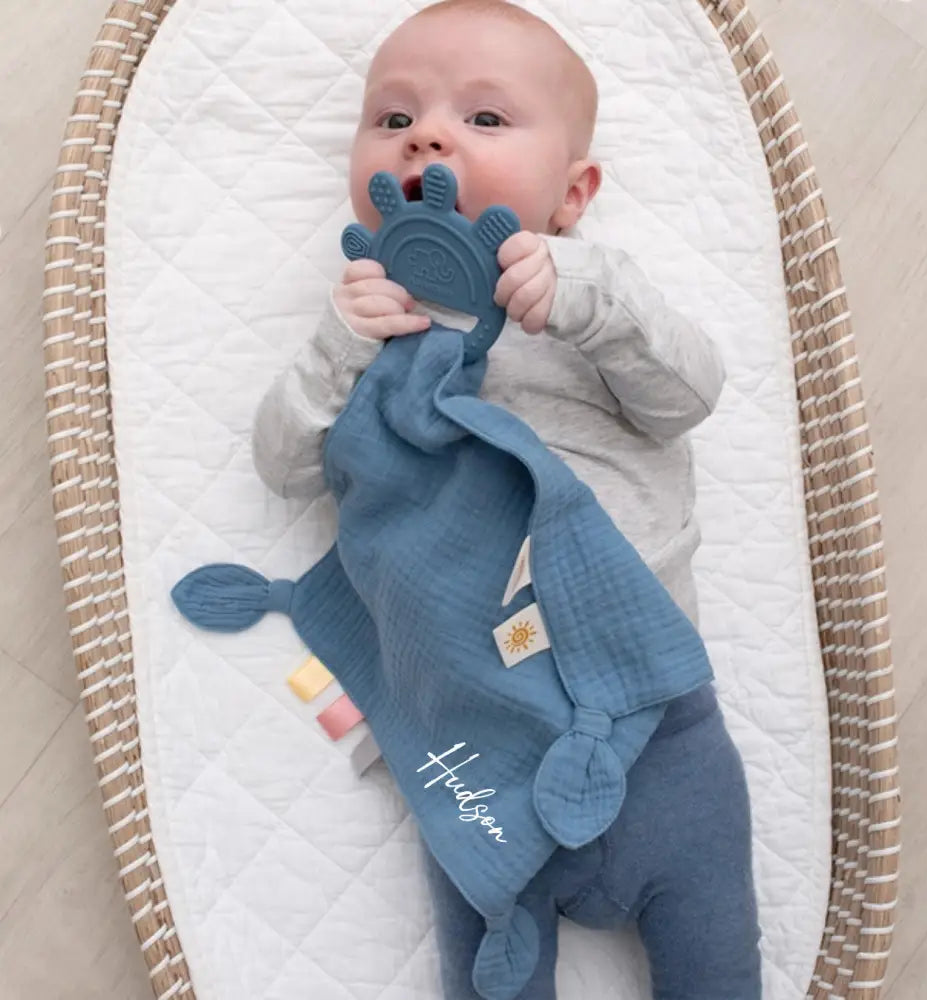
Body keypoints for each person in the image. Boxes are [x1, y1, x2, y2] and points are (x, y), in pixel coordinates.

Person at [251, 2, 761, 997]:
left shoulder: (586, 300)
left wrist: (588, 302)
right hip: (473, 737)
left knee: (718, 965)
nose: (429, 136)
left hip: (651, 716)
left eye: (485, 121)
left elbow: (687, 398)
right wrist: (337, 348)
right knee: (486, 973)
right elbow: (285, 464)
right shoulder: (366, 330)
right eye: (394, 119)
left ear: (572, 194)